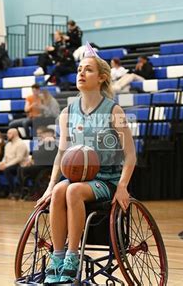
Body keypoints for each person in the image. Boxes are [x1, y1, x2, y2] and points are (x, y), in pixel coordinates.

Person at [35, 43, 136, 283]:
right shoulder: (67, 113)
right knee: (61, 189)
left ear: (101, 78)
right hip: (77, 177)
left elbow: (130, 155)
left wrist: (122, 186)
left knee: (72, 190)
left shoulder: (114, 111)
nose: (81, 73)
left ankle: (73, 256)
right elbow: (61, 154)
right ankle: (57, 257)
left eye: (88, 70)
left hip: (106, 179)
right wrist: (50, 186)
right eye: (79, 69)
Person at [17, 128, 58, 200]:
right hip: (38, 164)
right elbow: (34, 155)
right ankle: (24, 190)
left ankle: (35, 193)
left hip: (48, 165)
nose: (42, 136)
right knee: (20, 169)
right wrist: (31, 161)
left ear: (51, 134)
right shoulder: (40, 144)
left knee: (32, 171)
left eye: (45, 134)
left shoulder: (55, 143)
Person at [0, 128, 29, 198]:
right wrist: (2, 163)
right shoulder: (8, 144)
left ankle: (13, 191)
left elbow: (19, 158)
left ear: (14, 134)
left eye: (9, 133)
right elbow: (5, 157)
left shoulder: (21, 144)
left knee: (7, 170)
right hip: (8, 164)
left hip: (20, 165)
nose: (7, 135)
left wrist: (6, 165)